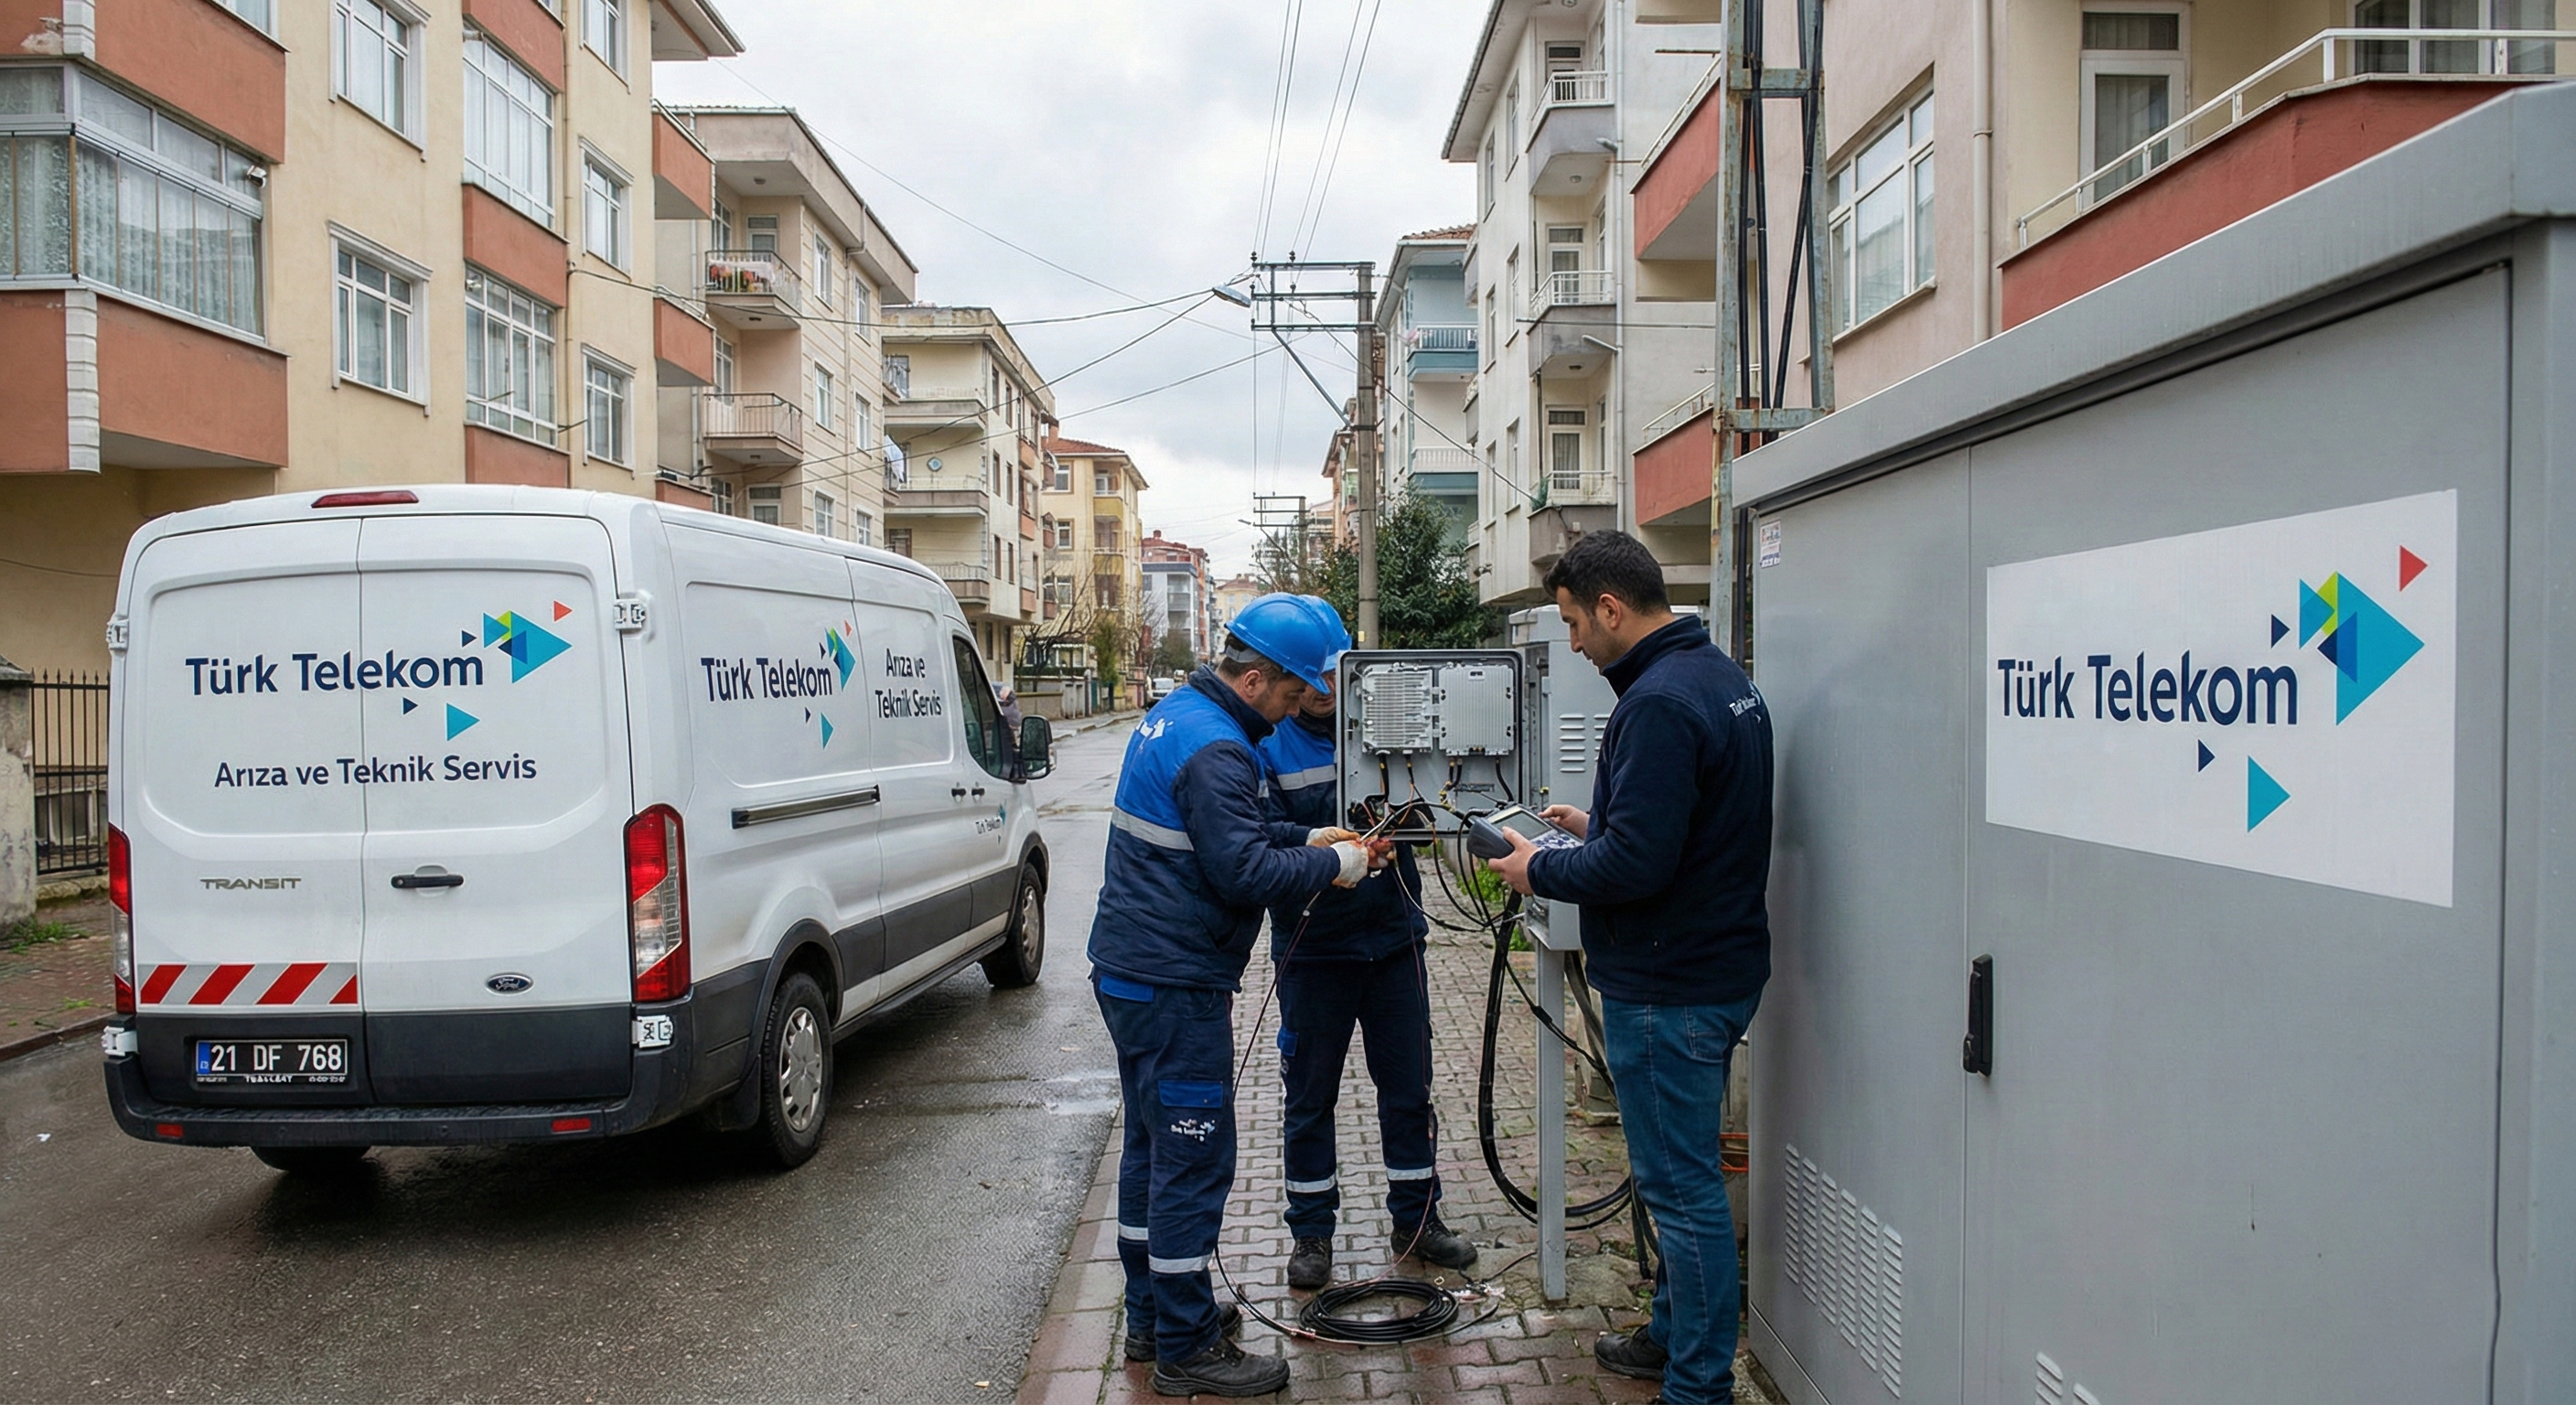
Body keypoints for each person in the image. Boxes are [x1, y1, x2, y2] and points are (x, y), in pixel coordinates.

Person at [1483, 531, 1774, 1405]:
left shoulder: (1656, 704)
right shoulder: (1719, 678)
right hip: (1719, 968)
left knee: (1681, 1197)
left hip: (1668, 987)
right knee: (1683, 1182)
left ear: (1611, 608)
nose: (1571, 642)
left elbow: (1638, 868)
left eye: (1574, 623)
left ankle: (1698, 1386)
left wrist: (1538, 869)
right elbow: (1686, 828)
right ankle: (1671, 1335)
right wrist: (1594, 824)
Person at [1089, 593, 1383, 1399]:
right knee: (1192, 1159)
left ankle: (1154, 1316)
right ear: (1255, 680)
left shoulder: (1180, 718)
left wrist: (1309, 836)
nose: (1296, 707)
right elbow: (1243, 871)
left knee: (1151, 1151)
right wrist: (1338, 864)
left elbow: (1234, 834)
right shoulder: (1219, 749)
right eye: (1292, 692)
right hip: (1174, 983)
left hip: (1135, 972)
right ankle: (1187, 1348)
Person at [1257, 650, 1477, 1292]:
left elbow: (1433, 810)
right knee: (1310, 1097)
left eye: (1336, 671)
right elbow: (1261, 835)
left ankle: (1417, 1220)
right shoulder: (1269, 745)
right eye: (1313, 674)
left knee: (1409, 1090)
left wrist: (1411, 820)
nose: (1326, 686)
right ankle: (1312, 1232)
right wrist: (1326, 845)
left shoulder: (1389, 728)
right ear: (1291, 677)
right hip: (1313, 949)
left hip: (1393, 942)